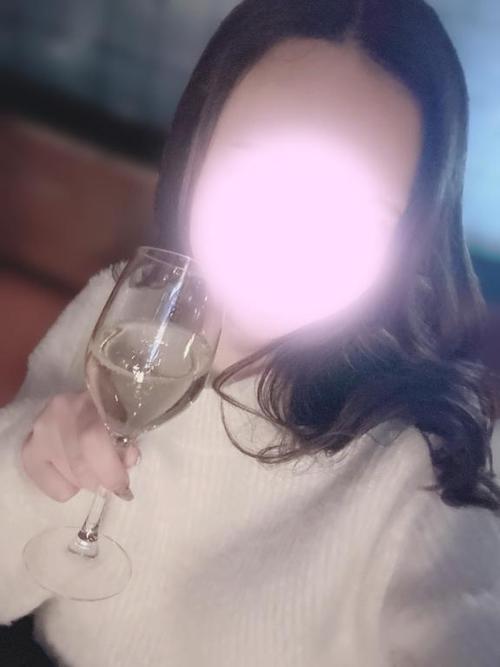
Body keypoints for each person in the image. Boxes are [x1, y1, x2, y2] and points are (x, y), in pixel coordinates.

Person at [1, 0, 500, 665]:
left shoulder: (427, 456)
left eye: (353, 214)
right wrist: (32, 472)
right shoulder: (125, 313)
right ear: (198, 151)